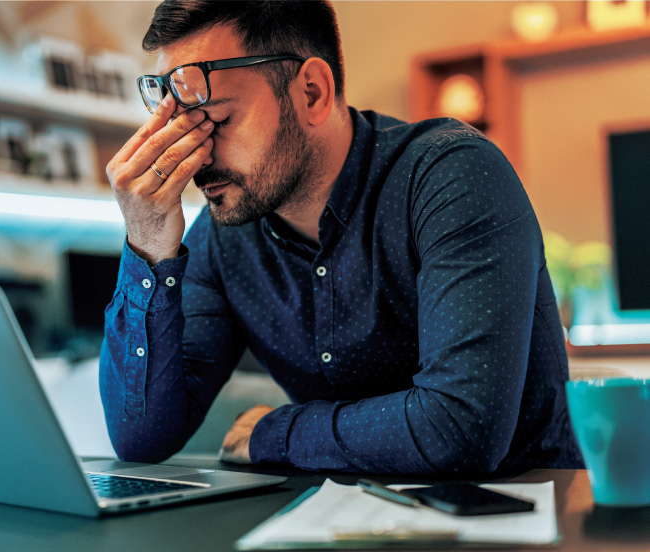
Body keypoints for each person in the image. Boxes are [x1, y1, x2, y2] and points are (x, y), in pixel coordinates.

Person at [101, 0, 583, 475]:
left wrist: (279, 432)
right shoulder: (225, 239)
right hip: (339, 523)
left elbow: (459, 429)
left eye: (220, 121)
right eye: (184, 128)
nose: (199, 158)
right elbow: (141, 438)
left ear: (311, 92)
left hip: (523, 520)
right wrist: (148, 246)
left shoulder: (452, 177)